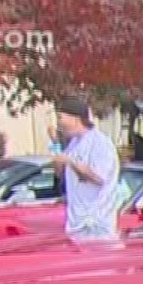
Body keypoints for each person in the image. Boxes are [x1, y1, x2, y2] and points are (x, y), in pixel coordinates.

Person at [50, 95, 121, 241]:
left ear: (75, 118)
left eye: (60, 117)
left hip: (95, 223)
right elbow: (62, 175)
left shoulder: (99, 142)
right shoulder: (74, 143)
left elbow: (99, 177)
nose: (58, 123)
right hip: (76, 222)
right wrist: (57, 155)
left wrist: (70, 161)